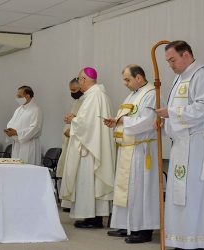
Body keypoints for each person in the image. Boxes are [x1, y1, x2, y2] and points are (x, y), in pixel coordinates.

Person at [155, 40, 204, 249]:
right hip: (183, 144)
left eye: (173, 60)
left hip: (198, 146)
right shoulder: (179, 79)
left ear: (186, 55)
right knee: (179, 194)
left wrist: (171, 113)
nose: (171, 65)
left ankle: (198, 242)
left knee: (195, 193)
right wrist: (165, 118)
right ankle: (183, 241)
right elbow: (177, 109)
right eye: (167, 62)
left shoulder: (201, 75)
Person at [104, 65, 159, 243]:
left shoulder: (151, 94)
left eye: (128, 79)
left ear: (139, 77)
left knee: (141, 190)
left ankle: (143, 230)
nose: (125, 83)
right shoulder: (132, 95)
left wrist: (122, 121)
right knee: (126, 190)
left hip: (142, 149)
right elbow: (126, 117)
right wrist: (115, 121)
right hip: (128, 148)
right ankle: (126, 225)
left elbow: (148, 120)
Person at [59, 67, 115, 229]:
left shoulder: (94, 96)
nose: (79, 82)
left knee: (88, 181)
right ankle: (91, 216)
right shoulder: (98, 95)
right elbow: (91, 121)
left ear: (84, 79)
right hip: (91, 143)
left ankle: (93, 218)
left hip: (90, 148)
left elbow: (86, 123)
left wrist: (73, 120)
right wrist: (76, 120)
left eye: (79, 79)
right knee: (90, 182)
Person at [56, 77, 84, 211]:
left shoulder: (88, 101)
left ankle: (73, 202)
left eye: (74, 90)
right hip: (70, 141)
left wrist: (72, 127)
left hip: (78, 143)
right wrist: (69, 118)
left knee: (76, 174)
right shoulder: (78, 101)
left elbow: (85, 123)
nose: (72, 93)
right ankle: (68, 202)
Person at [5, 85, 43, 165]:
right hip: (17, 144)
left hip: (29, 145)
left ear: (28, 96)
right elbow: (11, 123)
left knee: (27, 169)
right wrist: (9, 130)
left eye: (19, 96)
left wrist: (17, 133)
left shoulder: (36, 110)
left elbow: (35, 128)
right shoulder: (19, 109)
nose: (17, 98)